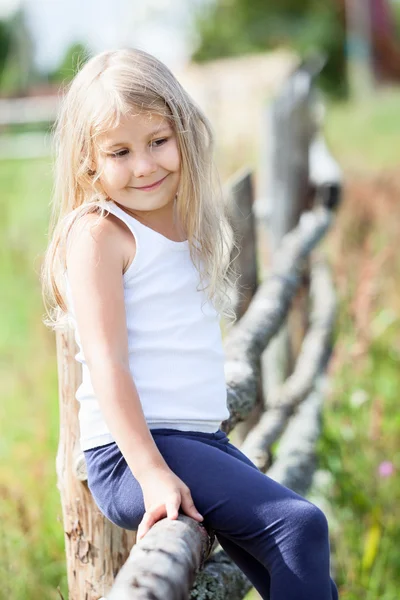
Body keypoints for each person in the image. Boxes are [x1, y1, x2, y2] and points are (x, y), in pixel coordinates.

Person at [41, 48, 339, 600]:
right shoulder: (99, 234)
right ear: (89, 161)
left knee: (296, 556)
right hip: (131, 454)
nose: (145, 165)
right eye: (120, 152)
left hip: (194, 439)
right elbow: (107, 364)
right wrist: (151, 472)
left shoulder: (187, 213)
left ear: (183, 130)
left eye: (157, 141)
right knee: (300, 525)